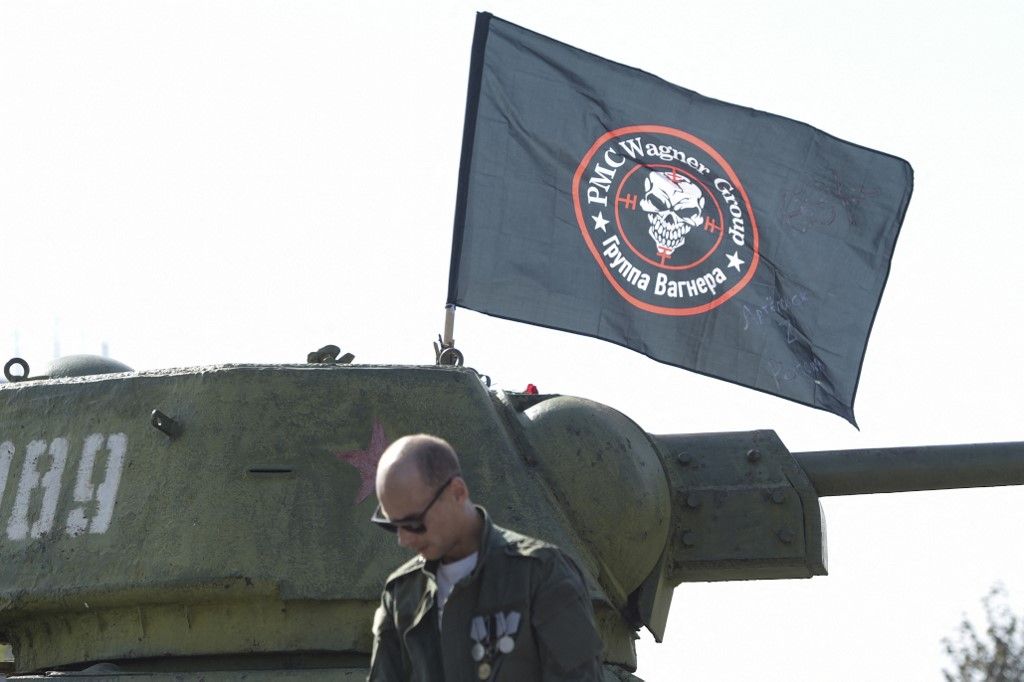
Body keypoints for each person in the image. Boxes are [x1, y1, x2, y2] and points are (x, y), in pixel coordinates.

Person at [367, 434, 604, 681]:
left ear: (457, 492)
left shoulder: (540, 574)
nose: (404, 540)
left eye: (414, 523)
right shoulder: (402, 593)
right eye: (394, 526)